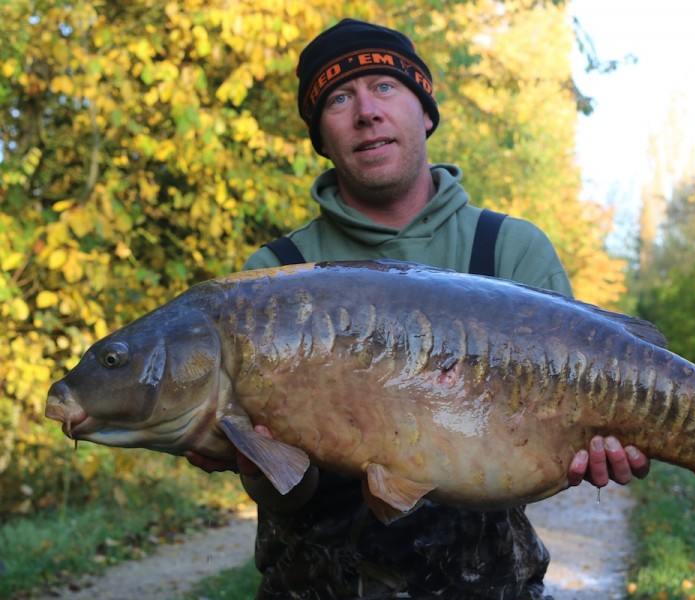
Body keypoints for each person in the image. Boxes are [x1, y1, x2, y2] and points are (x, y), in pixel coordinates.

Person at [188, 18, 649, 599]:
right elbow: (283, 487)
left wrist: (602, 449)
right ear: (321, 138)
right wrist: (253, 464)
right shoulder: (273, 279)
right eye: (338, 98)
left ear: (424, 111)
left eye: (385, 87)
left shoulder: (508, 248)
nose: (366, 111)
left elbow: (557, 436)